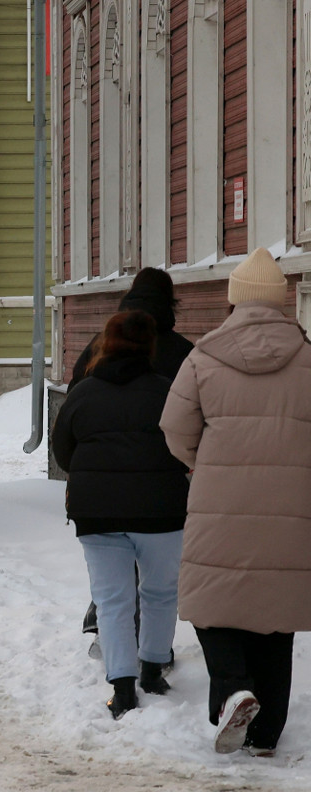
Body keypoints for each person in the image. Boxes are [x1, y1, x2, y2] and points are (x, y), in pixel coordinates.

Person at [160, 247, 311, 757]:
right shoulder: (308, 355)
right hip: (293, 509)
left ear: (233, 300)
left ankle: (231, 689)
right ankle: (266, 736)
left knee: (212, 602)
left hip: (218, 501)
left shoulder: (203, 356)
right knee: (276, 614)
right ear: (282, 302)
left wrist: (204, 465)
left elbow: (174, 430)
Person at [52, 310, 190, 720]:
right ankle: (152, 670)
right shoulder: (168, 392)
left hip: (97, 513)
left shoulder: (82, 393)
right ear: (150, 345)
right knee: (160, 592)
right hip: (161, 511)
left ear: (104, 343)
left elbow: (63, 452)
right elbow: (186, 446)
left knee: (112, 600)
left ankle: (123, 689)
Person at [71, 267, 195, 655]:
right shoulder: (186, 354)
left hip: (101, 492)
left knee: (113, 575)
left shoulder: (97, 347)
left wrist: (85, 464)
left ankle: (111, 636)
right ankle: (155, 656)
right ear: (169, 303)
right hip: (163, 486)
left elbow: (71, 416)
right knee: (158, 578)